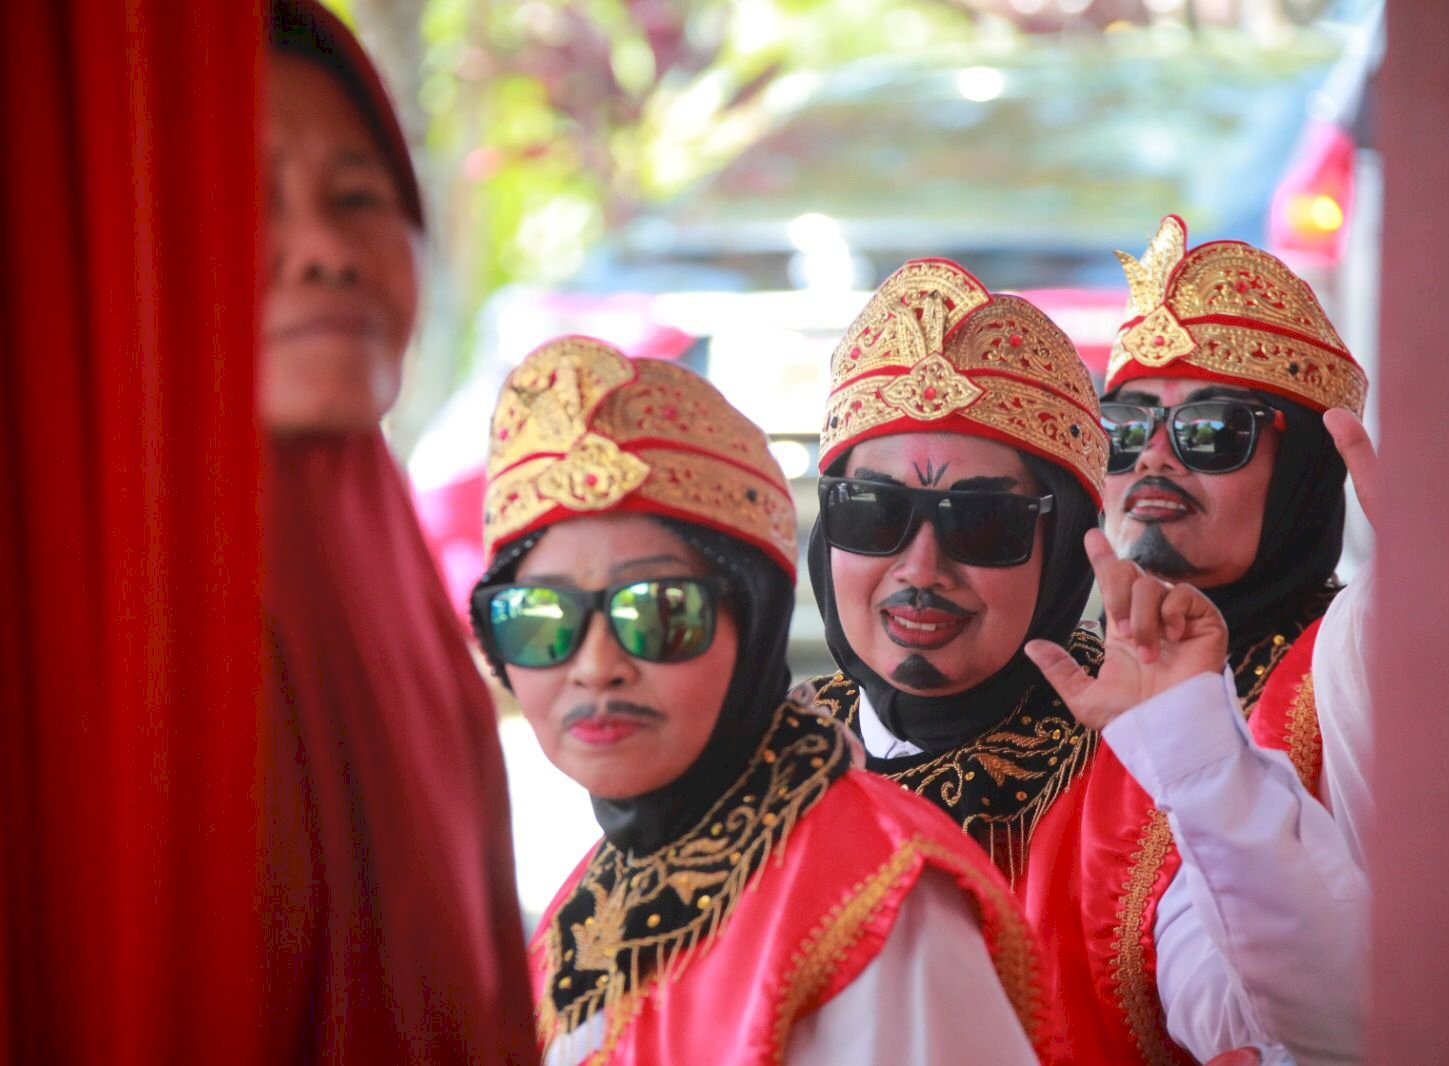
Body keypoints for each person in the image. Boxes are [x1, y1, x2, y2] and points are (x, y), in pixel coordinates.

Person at [805, 259, 1366, 1065]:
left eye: (983, 525)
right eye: (874, 513)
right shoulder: (766, 766)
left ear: (1064, 553)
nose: (920, 570)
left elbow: (1337, 1029)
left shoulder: (1138, 794)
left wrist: (1202, 765)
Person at [470, 335, 1068, 1066]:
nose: (596, 668)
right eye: (540, 620)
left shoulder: (869, 902)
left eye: (660, 612)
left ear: (750, 629)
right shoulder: (588, 898)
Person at [259, 3, 537, 1060]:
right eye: (246, 203)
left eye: (358, 196)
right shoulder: (87, 616)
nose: (324, 250)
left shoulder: (405, 614)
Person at [1099, 214, 1370, 803]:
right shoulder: (1063, 684)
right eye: (1123, 428)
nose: (1153, 457)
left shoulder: (1355, 667)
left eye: (1212, 429)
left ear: (1302, 473)